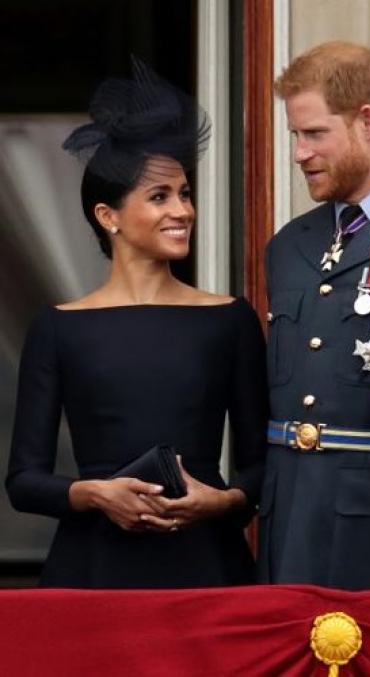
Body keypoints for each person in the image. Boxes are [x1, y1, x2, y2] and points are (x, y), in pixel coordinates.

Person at [5, 58, 268, 589]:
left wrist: (224, 501)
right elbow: (23, 482)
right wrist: (94, 493)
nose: (183, 210)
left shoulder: (229, 318)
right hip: (92, 571)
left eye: (185, 193)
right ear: (110, 217)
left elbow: (267, 467)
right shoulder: (59, 327)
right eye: (160, 196)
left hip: (207, 567)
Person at [257, 42, 370, 589]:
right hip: (289, 526)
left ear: (368, 122)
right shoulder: (288, 245)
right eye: (295, 136)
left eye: (314, 134)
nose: (299, 153)